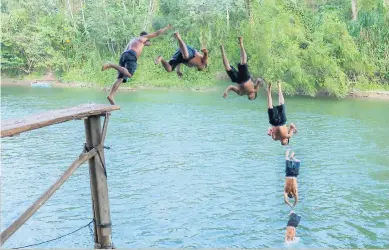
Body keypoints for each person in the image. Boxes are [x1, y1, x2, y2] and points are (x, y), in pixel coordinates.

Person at [102, 24, 173, 105]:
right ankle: (111, 65)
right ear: (145, 36)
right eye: (148, 39)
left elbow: (147, 44)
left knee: (121, 78)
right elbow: (157, 33)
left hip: (124, 55)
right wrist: (167, 27)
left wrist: (147, 43)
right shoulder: (143, 37)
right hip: (131, 55)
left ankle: (111, 95)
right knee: (129, 75)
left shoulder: (134, 41)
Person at [267, 81, 297, 145]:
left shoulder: (275, 139)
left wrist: (269, 132)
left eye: (283, 143)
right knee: (281, 104)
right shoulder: (288, 136)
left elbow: (270, 130)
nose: (284, 143)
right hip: (282, 122)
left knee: (270, 107)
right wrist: (294, 128)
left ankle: (269, 90)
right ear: (287, 140)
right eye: (286, 142)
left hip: (274, 123)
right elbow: (291, 124)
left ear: (280, 142)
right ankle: (279, 87)